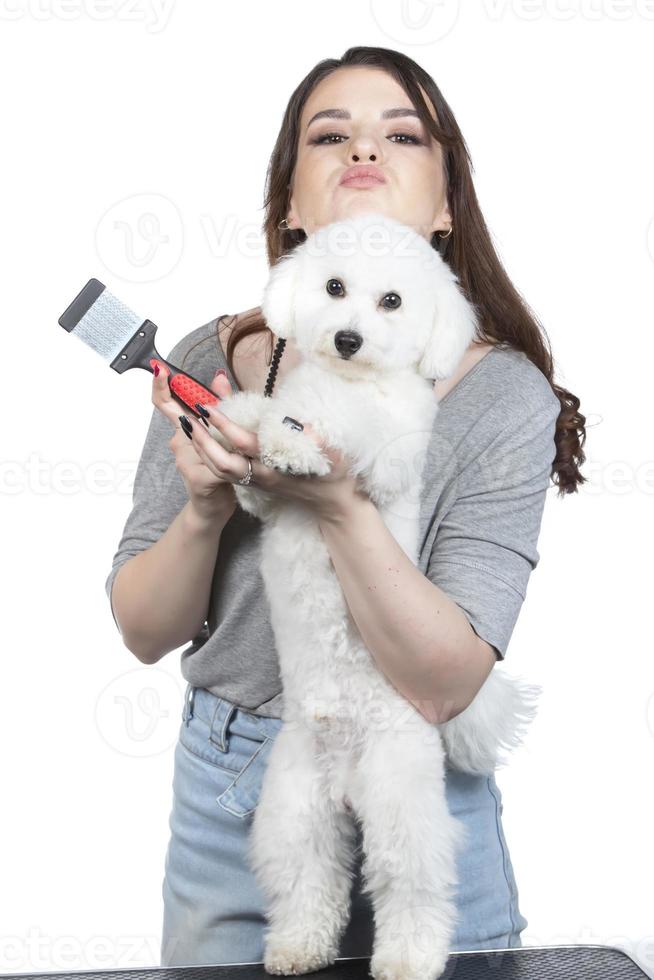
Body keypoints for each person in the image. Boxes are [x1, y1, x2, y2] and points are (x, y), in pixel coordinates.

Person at [105, 47, 586, 969]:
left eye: (402, 134)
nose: (364, 149)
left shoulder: (506, 396)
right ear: (290, 203)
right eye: (330, 136)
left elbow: (447, 682)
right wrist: (207, 504)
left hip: (420, 749)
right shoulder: (210, 359)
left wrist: (332, 503)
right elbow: (141, 630)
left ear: (447, 206)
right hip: (236, 777)